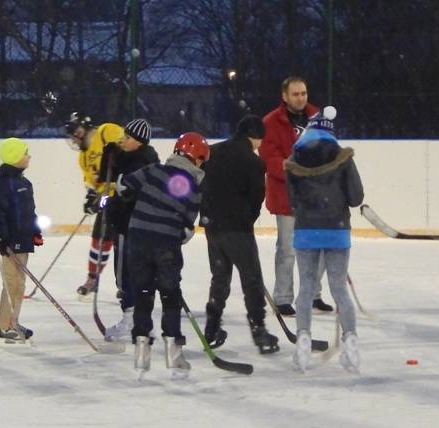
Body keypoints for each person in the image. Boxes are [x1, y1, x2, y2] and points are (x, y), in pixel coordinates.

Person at [118, 132, 208, 378]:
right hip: (166, 245)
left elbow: (124, 185)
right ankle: (173, 353)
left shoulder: (153, 170)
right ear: (197, 159)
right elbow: (187, 229)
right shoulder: (193, 188)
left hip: (137, 240)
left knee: (143, 294)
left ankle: (141, 353)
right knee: (170, 295)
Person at [284, 106, 365, 373]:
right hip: (336, 231)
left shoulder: (295, 159)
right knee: (339, 288)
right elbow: (356, 197)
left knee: (306, 288)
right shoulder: (343, 158)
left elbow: (292, 200)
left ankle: (303, 341)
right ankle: (350, 341)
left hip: (306, 231)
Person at [199, 114, 279, 354]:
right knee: (251, 278)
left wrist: (209, 214)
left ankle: (212, 327)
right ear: (255, 137)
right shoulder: (254, 162)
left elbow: (201, 185)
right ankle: (259, 330)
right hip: (238, 229)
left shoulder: (212, 152)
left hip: (213, 226)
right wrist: (245, 221)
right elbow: (256, 199)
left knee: (220, 277)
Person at [259, 76, 333, 317]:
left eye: (303, 93)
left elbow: (329, 149)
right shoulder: (271, 122)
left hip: (315, 196)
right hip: (287, 196)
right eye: (296, 94)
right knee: (287, 249)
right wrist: (294, 170)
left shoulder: (318, 118)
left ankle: (313, 294)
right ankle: (282, 298)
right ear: (285, 96)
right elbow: (269, 158)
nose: (301, 98)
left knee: (319, 247)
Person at [102, 118, 160, 342]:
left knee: (126, 273)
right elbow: (110, 178)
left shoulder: (140, 164)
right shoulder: (133, 158)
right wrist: (109, 157)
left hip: (130, 227)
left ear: (139, 142)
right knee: (140, 275)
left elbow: (126, 195)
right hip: (140, 228)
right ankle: (143, 322)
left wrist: (110, 207)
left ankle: (131, 319)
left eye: (127, 138)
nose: (123, 140)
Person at [63, 112, 125, 300]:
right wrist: (91, 199)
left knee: (124, 243)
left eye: (75, 133)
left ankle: (126, 284)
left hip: (126, 196)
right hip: (107, 199)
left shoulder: (106, 132)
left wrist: (117, 154)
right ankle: (92, 278)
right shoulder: (83, 157)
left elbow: (128, 147)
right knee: (99, 238)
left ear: (84, 128)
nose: (74, 139)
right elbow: (92, 183)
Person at [0, 138, 42, 342]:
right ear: (15, 156)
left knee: (20, 284)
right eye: (25, 153)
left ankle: (13, 321)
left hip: (24, 239)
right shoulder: (4, 183)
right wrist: (1, 238)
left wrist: (35, 231)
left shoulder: (25, 183)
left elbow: (30, 212)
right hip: (10, 242)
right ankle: (4, 326)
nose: (29, 156)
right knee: (11, 283)